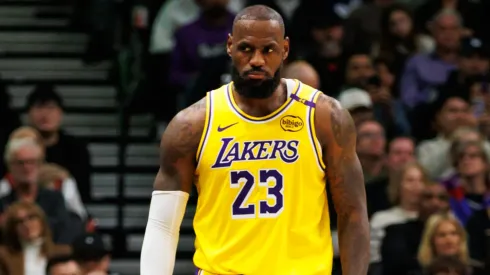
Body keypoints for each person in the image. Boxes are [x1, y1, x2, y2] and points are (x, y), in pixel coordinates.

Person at [140, 5, 369, 275]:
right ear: (229, 46)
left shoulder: (324, 117)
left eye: (268, 50)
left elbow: (352, 214)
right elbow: (162, 225)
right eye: (246, 48)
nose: (257, 59)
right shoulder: (192, 125)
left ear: (284, 50)